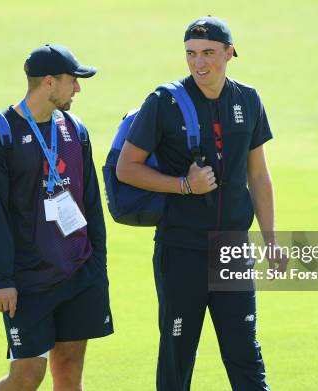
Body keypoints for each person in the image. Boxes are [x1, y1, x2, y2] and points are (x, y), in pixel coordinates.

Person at [116, 16, 287, 391]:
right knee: (178, 354)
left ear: (229, 53)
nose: (199, 63)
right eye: (191, 54)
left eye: (209, 53)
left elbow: (258, 175)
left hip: (232, 249)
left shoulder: (248, 99)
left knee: (245, 352)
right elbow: (126, 168)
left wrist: (271, 240)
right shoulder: (163, 102)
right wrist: (183, 185)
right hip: (181, 249)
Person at [0, 44, 113, 391]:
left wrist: (98, 267)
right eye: (73, 81)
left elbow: (90, 202)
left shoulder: (75, 129)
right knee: (27, 376)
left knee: (69, 369)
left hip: (78, 271)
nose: (78, 89)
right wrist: (3, 278)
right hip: (27, 280)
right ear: (49, 82)